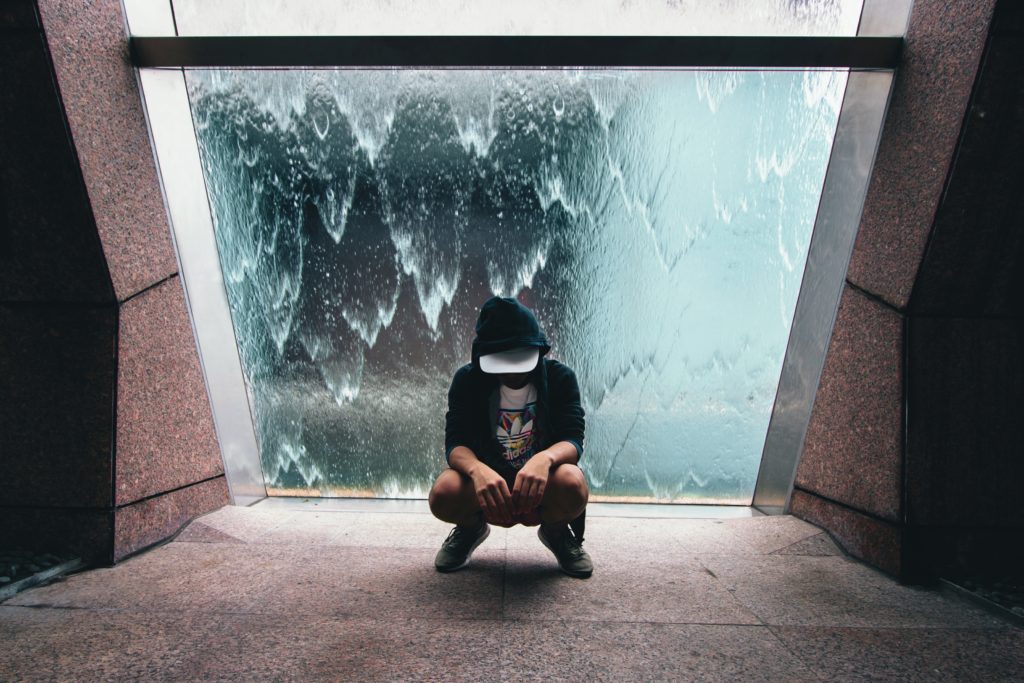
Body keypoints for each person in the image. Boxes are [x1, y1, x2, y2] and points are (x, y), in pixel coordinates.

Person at [428, 296, 593, 578]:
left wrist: (545, 459)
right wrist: (477, 471)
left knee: (572, 482)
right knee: (444, 493)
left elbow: (573, 439)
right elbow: (456, 443)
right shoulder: (467, 380)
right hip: (489, 487)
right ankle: (471, 528)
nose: (511, 371)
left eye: (519, 359)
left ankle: (555, 531)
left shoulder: (560, 378)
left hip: (541, 485)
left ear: (538, 349)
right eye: (502, 361)